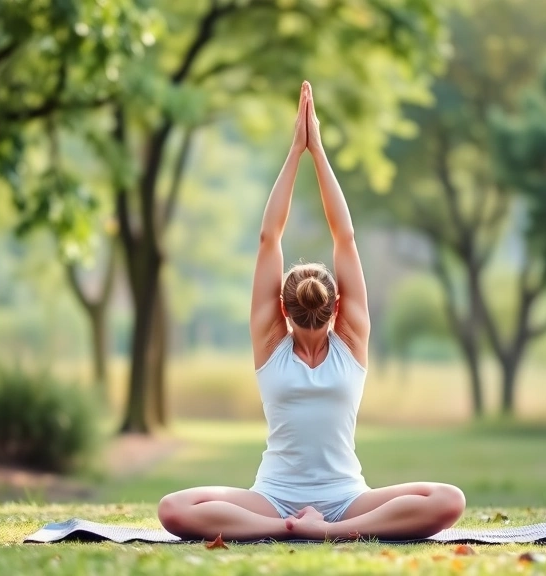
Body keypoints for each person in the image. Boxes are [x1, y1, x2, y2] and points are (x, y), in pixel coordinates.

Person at [157, 81, 465, 542]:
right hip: (283, 498)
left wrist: (295, 152)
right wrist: (317, 151)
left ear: (281, 308)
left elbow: (269, 238)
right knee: (449, 500)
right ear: (338, 305)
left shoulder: (268, 340)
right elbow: (346, 237)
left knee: (173, 509)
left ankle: (319, 530)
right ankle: (303, 528)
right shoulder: (352, 336)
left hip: (340, 498)